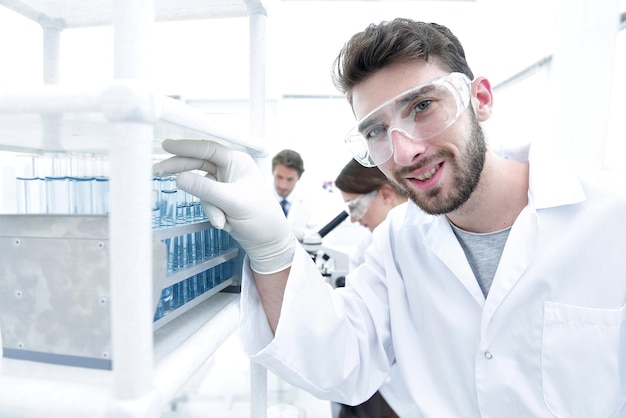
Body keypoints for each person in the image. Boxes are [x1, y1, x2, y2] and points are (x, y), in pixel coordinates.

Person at [153, 18, 626, 417]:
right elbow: (339, 360)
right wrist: (272, 250)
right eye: (376, 130)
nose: (404, 151)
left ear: (479, 99)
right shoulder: (398, 242)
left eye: (422, 106)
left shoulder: (611, 222)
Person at [333, 159, 408, 418]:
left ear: (386, 194)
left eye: (356, 206)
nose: (354, 219)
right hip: (388, 384)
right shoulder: (366, 249)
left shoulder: (434, 235)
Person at [271, 149, 319, 242]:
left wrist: (302, 234)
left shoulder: (309, 202)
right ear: (273, 172)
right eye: (279, 177)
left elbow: (319, 234)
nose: (283, 185)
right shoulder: (261, 197)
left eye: (289, 179)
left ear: (299, 177)